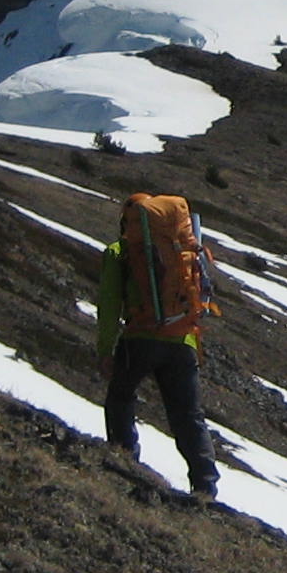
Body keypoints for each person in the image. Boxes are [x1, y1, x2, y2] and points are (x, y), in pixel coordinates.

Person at [97, 193, 221, 502]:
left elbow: (109, 305)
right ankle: (205, 485)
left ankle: (125, 458)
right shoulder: (185, 251)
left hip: (140, 337)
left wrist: (105, 350)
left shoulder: (119, 252)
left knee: (121, 397)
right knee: (188, 415)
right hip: (182, 340)